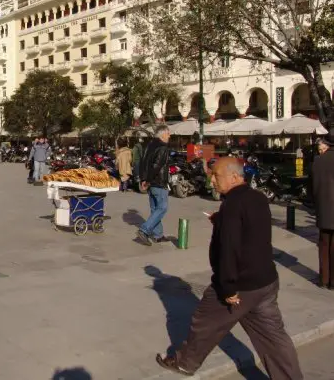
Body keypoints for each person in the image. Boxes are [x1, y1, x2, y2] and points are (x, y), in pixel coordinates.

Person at [156, 158, 303, 379]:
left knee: (204, 322)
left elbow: (229, 249)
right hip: (265, 281)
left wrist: (227, 288)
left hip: (239, 284)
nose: (212, 180)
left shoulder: (233, 205)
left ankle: (185, 363)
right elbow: (251, 231)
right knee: (274, 338)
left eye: (216, 175)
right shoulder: (257, 197)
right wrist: (222, 220)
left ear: (234, 177)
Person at [138, 125, 171, 245]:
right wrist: (148, 180)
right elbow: (156, 166)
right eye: (168, 133)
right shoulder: (163, 148)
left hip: (151, 182)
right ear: (162, 135)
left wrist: (144, 179)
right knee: (162, 208)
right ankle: (144, 230)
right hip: (158, 182)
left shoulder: (150, 146)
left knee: (154, 209)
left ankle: (158, 235)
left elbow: (142, 163)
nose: (169, 136)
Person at [311, 137, 334, 290]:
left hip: (323, 209)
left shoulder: (317, 161)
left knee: (324, 244)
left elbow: (312, 186)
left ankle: (323, 279)